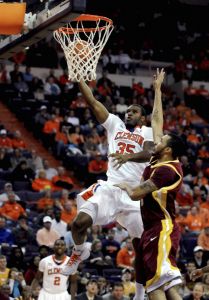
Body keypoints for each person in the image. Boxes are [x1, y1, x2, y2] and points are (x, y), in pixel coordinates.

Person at [62, 78, 154, 280]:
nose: (129, 113)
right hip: (111, 189)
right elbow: (93, 102)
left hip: (135, 195)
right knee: (79, 223)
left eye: (134, 111)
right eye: (127, 111)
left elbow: (148, 154)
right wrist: (79, 81)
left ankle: (141, 292)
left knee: (142, 250)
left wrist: (128, 156)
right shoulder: (116, 126)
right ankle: (78, 252)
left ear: (143, 118)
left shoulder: (148, 131)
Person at [115, 69, 185, 299]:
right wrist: (156, 90)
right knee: (158, 286)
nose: (158, 138)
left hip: (163, 228)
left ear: (168, 150)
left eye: (162, 140)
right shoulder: (159, 157)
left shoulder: (167, 169)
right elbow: (156, 119)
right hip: (151, 228)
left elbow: (136, 194)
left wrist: (125, 186)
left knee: (164, 285)